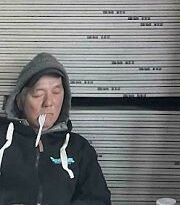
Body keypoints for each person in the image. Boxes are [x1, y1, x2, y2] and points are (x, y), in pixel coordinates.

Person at [0, 52, 111, 204]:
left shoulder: (79, 149)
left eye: (56, 92)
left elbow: (98, 199)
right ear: (19, 101)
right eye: (38, 94)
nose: (49, 103)